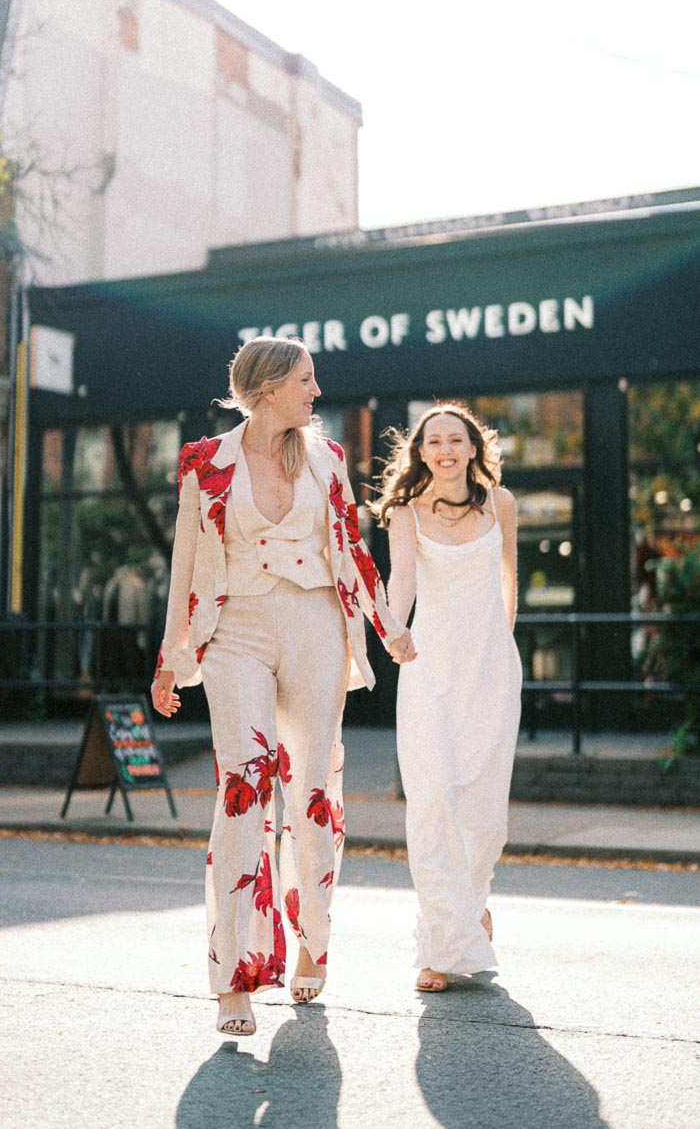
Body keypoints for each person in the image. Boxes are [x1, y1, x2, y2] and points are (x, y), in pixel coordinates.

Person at [151, 336, 413, 1036]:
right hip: (236, 628)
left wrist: (388, 627)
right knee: (244, 787)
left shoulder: (325, 460)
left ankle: (310, 943)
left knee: (311, 791)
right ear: (268, 388)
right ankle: (233, 976)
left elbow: (355, 548)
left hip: (315, 627)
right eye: (306, 378)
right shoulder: (205, 463)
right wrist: (172, 657)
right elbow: (184, 561)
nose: (316, 390)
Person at [369, 402, 521, 993]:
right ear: (421, 451)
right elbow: (400, 578)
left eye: (455, 439)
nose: (445, 449)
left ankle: (470, 907)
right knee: (432, 798)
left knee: (481, 803)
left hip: (489, 670)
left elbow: (509, 581)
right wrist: (393, 627)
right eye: (434, 441)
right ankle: (441, 941)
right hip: (430, 669)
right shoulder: (405, 512)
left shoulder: (500, 505)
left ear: (472, 448)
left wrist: (503, 651)